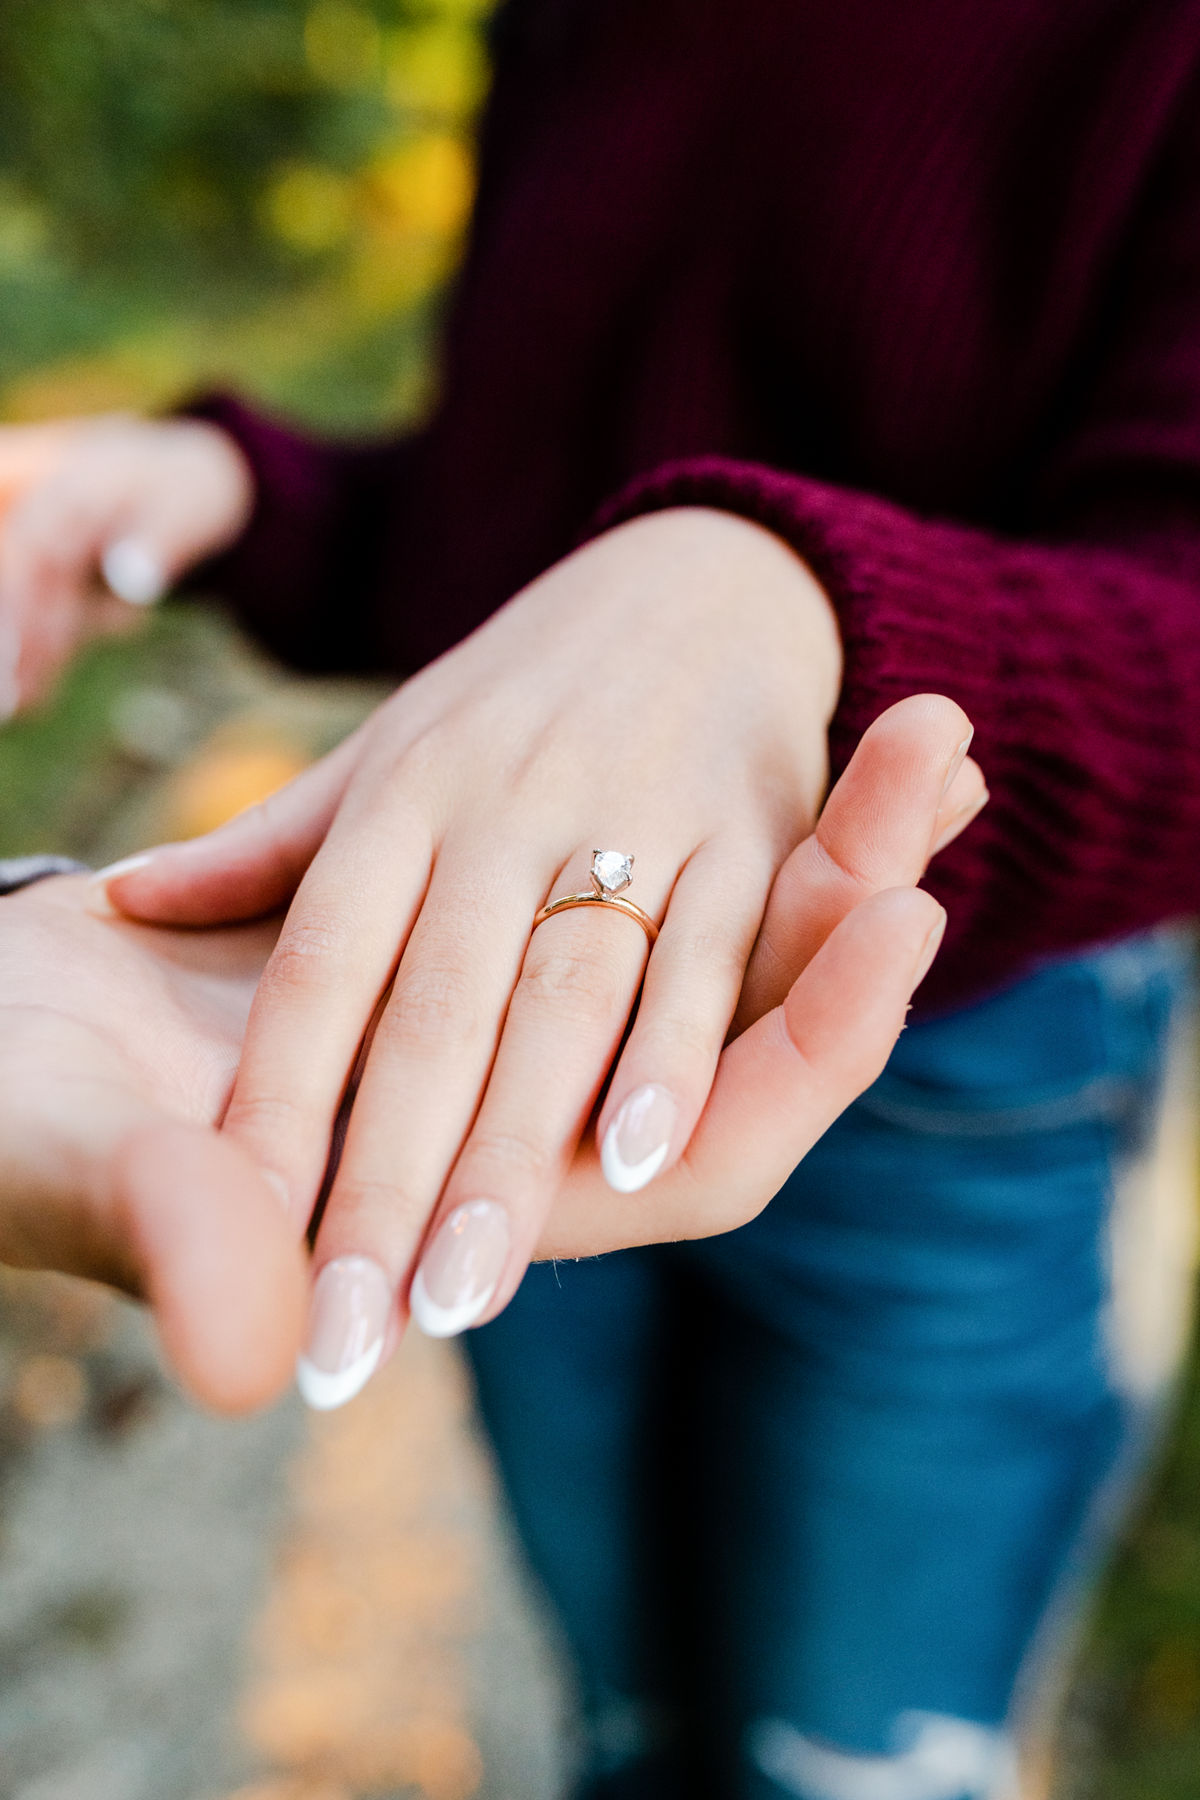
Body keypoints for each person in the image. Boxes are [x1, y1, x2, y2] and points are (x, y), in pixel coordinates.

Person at [1, 0, 1200, 1793]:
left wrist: (776, 596)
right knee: (629, 1699)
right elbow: (519, 535)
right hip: (493, 1009)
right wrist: (235, 485)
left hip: (955, 1033)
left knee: (855, 1745)